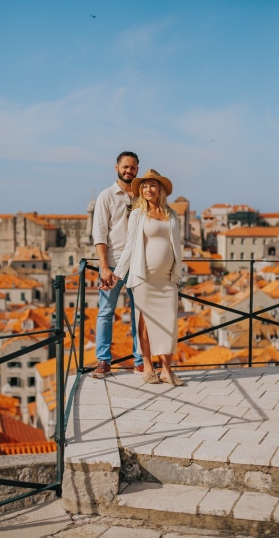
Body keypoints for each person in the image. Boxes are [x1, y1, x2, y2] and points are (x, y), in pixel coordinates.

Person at [111, 169, 183, 386]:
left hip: (167, 279)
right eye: (144, 186)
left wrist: (178, 272)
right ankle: (148, 366)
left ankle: (167, 369)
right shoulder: (137, 214)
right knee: (145, 322)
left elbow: (176, 245)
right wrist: (117, 275)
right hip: (144, 277)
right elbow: (130, 246)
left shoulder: (171, 215)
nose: (148, 189)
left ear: (159, 189)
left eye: (152, 185)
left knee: (169, 322)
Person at [91, 151, 144, 378]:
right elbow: (100, 234)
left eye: (132, 168)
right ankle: (104, 361)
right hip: (112, 264)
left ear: (137, 170)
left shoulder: (142, 196)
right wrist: (103, 267)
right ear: (116, 168)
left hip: (138, 263)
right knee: (105, 312)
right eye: (125, 167)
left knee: (139, 313)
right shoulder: (106, 196)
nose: (128, 171)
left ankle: (140, 360)